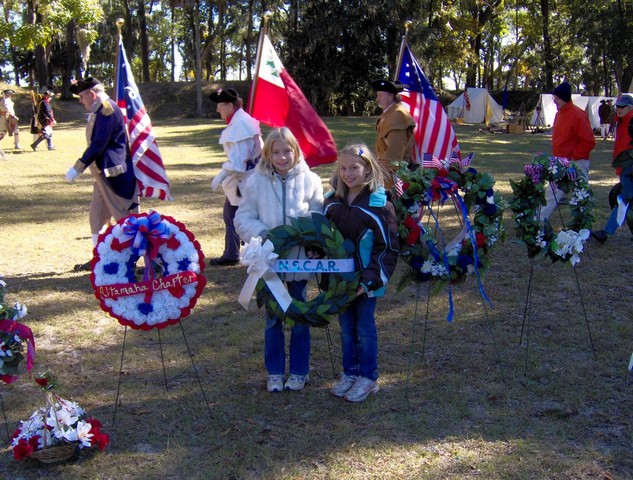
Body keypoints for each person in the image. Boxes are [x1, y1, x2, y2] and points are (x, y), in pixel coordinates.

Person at [235, 127, 323, 392]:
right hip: (269, 263)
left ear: (296, 151)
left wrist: (311, 240)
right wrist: (264, 235)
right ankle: (274, 372)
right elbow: (242, 217)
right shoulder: (255, 182)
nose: (282, 157)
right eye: (276, 152)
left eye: (287, 151)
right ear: (267, 154)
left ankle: (299, 371)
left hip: (298, 263)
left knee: (299, 315)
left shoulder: (311, 180)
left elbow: (318, 215)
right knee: (273, 318)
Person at [323, 143, 399, 402]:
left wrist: (368, 280)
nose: (347, 173)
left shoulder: (379, 204)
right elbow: (324, 239)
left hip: (366, 282)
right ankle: (350, 374)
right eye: (343, 168)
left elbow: (386, 248)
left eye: (354, 167)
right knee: (346, 328)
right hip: (340, 282)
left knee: (365, 328)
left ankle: (368, 378)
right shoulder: (332, 202)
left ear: (368, 169)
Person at [65, 77, 139, 270]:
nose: (81, 101)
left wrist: (77, 167)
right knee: (96, 216)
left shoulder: (107, 109)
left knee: (124, 217)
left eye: (82, 96)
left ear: (92, 94)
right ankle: (99, 257)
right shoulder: (98, 110)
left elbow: (99, 143)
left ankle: (140, 259)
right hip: (101, 173)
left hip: (114, 173)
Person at [209, 87, 262, 266]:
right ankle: (237, 251)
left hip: (243, 181)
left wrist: (221, 175)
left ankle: (234, 253)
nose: (218, 110)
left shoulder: (240, 125)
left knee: (234, 216)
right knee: (236, 215)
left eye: (220, 105)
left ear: (230, 105)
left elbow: (238, 162)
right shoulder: (242, 122)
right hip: (247, 178)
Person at [540, 81, 596, 221]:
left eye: (557, 98)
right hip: (559, 162)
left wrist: (573, 159)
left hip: (577, 162)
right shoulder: (559, 114)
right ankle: (537, 221)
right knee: (551, 193)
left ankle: (582, 225)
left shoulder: (578, 115)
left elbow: (588, 141)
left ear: (564, 98)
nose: (554, 101)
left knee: (580, 194)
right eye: (554, 98)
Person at [592, 94, 633, 243]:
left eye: (622, 107)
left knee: (623, 200)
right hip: (625, 167)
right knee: (624, 199)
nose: (618, 109)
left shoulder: (631, 121)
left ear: (630, 108)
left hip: (630, 168)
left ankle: (606, 232)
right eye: (617, 106)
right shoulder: (621, 121)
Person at [371, 79, 415, 188]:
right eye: (377, 95)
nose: (377, 98)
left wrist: (381, 174)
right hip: (388, 170)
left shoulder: (397, 115)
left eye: (380, 95)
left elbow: (395, 152)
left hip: (394, 174)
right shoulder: (390, 113)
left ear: (391, 95)